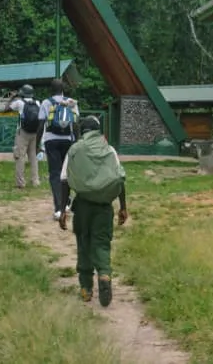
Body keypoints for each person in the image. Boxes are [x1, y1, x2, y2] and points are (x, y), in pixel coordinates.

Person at [57, 115, 128, 307]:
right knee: (102, 243)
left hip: (83, 206)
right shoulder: (109, 149)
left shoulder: (75, 150)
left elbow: (64, 180)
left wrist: (62, 209)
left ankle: (86, 288)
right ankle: (104, 274)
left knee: (83, 243)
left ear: (82, 132)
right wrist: (123, 207)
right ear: (98, 131)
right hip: (104, 207)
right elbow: (119, 178)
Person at [37, 78, 80, 220]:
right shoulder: (71, 102)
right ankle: (66, 203)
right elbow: (76, 124)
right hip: (68, 140)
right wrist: (77, 142)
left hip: (51, 140)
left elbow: (41, 124)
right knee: (66, 173)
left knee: (55, 174)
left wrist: (37, 144)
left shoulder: (46, 102)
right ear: (63, 90)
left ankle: (58, 208)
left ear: (51, 89)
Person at [5, 84, 40, 189]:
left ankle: (20, 182)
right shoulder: (38, 103)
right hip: (35, 133)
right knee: (33, 156)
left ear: (22, 93)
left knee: (20, 156)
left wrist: (12, 97)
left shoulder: (19, 103)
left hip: (22, 132)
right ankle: (35, 181)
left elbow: (5, 109)